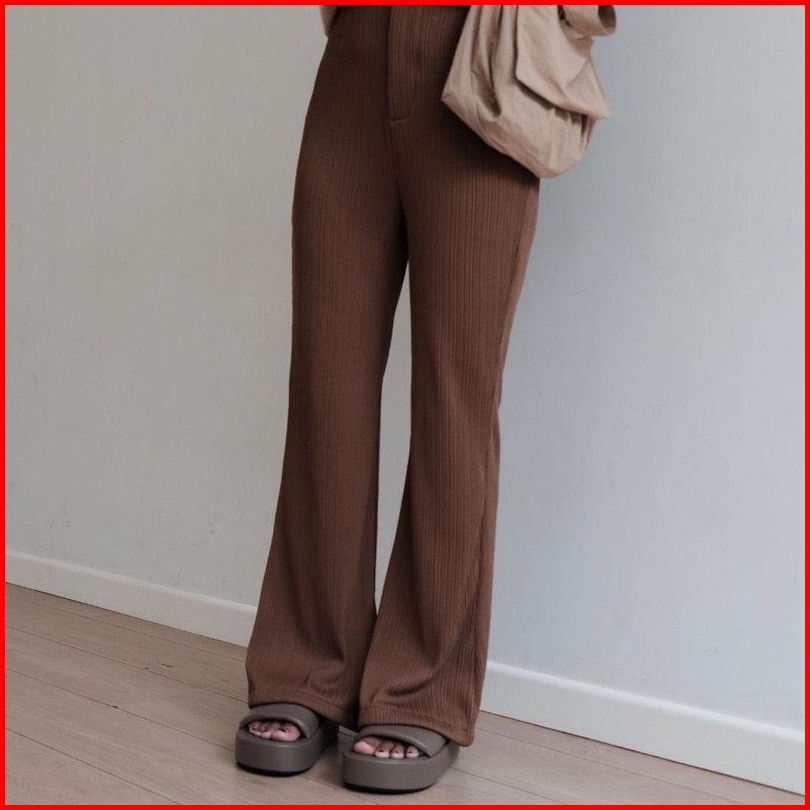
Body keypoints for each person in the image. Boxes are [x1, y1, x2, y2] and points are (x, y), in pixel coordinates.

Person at [234, 4, 540, 793]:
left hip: (483, 59)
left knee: (454, 400)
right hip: (357, 59)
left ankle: (422, 687)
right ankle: (308, 667)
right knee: (325, 388)